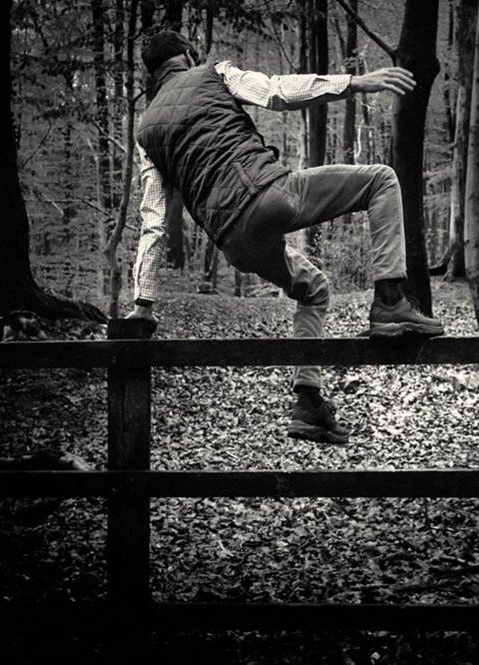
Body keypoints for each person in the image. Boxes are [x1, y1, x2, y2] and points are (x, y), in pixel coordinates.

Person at [127, 30, 444, 445]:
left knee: (312, 289)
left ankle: (308, 404)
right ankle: (389, 302)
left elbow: (153, 220)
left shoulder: (146, 131)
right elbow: (277, 93)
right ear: (186, 55)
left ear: (152, 74)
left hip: (233, 242)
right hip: (268, 196)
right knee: (382, 181)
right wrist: (355, 83)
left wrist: (142, 303)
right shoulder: (213, 74)